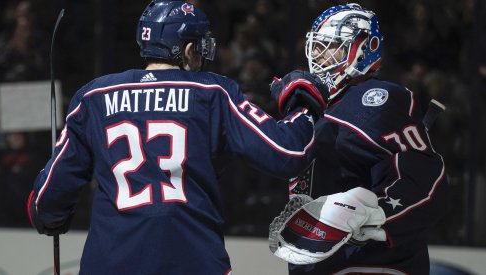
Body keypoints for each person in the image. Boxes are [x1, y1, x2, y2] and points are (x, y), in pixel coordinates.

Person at [26, 1, 329, 274]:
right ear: (187, 50)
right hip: (193, 260)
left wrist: (51, 220)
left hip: (109, 263)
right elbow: (288, 153)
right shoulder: (213, 92)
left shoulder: (93, 96)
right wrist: (303, 105)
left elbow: (47, 200)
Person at [268, 3, 448, 274]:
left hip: (372, 264)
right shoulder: (317, 106)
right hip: (324, 264)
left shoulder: (374, 99)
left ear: (363, 48)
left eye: (329, 45)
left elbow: (423, 177)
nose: (317, 53)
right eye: (316, 45)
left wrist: (381, 214)